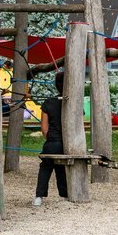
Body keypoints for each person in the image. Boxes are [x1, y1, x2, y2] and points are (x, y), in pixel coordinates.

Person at [33, 72, 68, 206]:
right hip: (68, 144)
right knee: (62, 168)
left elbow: (44, 129)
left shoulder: (48, 103)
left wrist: (51, 138)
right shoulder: (74, 104)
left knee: (46, 167)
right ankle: (65, 195)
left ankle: (39, 196)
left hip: (52, 142)